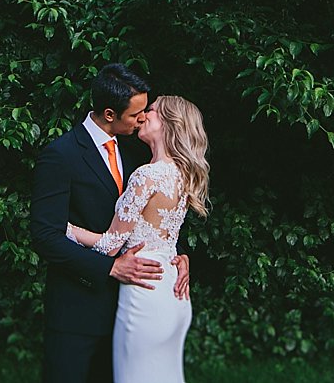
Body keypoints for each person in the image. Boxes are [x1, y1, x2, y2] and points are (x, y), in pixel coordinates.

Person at [30, 64, 191, 383]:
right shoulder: (61, 155)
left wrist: (177, 254)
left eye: (146, 111)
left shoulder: (136, 152)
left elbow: (149, 218)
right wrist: (110, 268)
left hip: (130, 309)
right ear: (108, 113)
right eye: (136, 114)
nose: (143, 118)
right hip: (77, 313)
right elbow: (45, 235)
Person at [66, 95, 209, 383]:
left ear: (170, 124)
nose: (142, 116)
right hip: (174, 295)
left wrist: (64, 228)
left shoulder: (147, 175)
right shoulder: (182, 176)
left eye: (152, 112)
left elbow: (110, 245)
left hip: (144, 295)